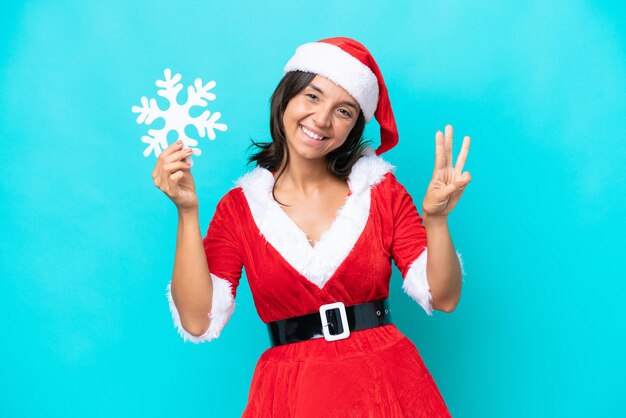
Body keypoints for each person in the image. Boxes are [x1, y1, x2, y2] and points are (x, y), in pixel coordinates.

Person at [153, 37, 471, 417]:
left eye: (344, 111)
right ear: (285, 98)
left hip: (386, 382)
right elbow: (197, 319)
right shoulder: (239, 208)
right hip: (292, 393)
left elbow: (444, 297)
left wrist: (436, 221)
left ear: (354, 127)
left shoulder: (380, 192)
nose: (321, 120)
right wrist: (187, 213)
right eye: (313, 96)